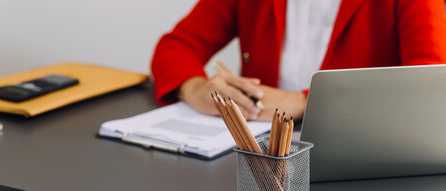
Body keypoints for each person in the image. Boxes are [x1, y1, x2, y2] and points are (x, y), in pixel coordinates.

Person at [151, 0, 446, 122]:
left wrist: (303, 102)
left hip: (361, 165)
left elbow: (430, 91)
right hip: (258, 158)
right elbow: (176, 46)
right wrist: (195, 88)